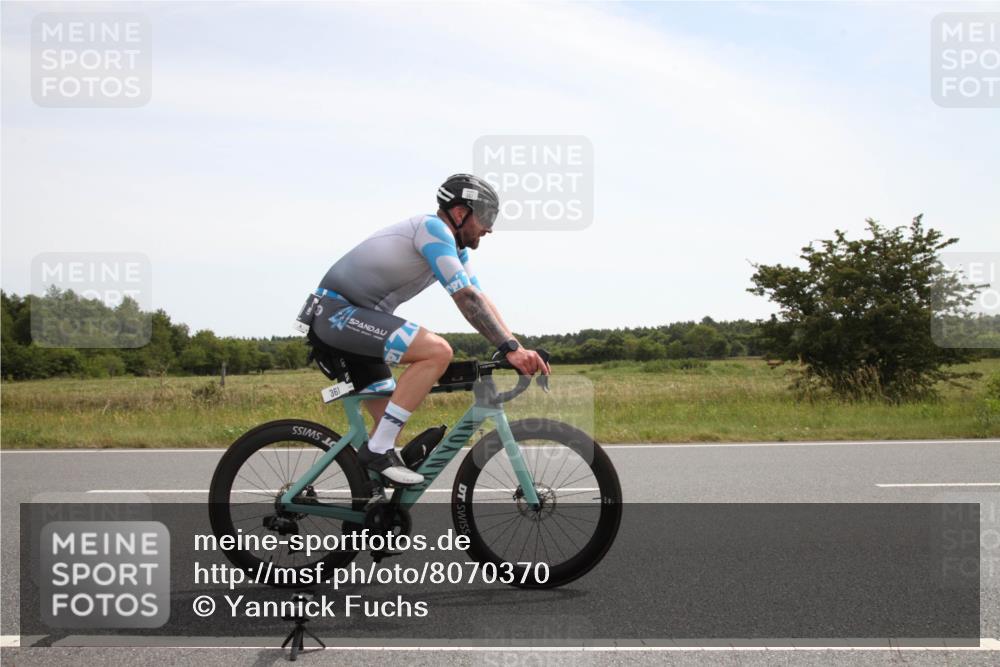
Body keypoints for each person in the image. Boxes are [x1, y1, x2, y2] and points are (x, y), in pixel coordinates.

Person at [308, 174, 550, 486]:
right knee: (437, 352)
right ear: (461, 213)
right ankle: (376, 452)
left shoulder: (455, 248)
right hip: (337, 315)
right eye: (487, 216)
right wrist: (510, 350)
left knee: (388, 424)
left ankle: (369, 511)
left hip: (357, 321)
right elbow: (466, 298)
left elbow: (480, 297)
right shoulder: (433, 230)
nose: (490, 228)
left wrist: (516, 346)